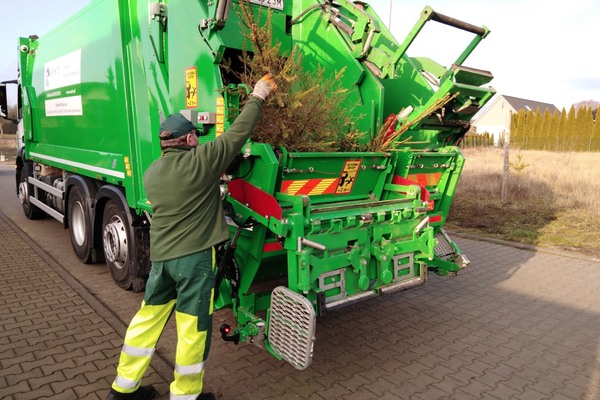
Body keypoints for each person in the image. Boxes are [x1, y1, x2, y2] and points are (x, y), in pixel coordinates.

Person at [106, 73, 277, 400]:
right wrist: (258, 94)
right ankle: (186, 395)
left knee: (147, 320)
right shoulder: (203, 161)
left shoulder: (152, 172)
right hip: (195, 260)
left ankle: (123, 389)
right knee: (191, 328)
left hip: (161, 261)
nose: (199, 139)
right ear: (187, 141)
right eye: (196, 136)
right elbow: (239, 133)